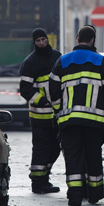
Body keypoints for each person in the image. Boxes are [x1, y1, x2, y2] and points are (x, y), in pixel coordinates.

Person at [50, 25, 104, 206]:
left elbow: (53, 89)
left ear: (77, 39)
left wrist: (59, 110)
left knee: (72, 157)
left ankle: (75, 195)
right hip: (94, 122)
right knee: (93, 156)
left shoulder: (62, 61)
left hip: (69, 121)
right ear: (93, 40)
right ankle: (95, 193)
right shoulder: (102, 62)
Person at [18, 28, 61, 194]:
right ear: (34, 42)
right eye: (38, 41)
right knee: (41, 149)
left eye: (44, 39)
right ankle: (37, 182)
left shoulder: (58, 57)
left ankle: (44, 177)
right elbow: (25, 89)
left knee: (56, 147)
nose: (42, 43)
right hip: (39, 116)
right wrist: (42, 101)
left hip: (57, 114)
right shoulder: (30, 63)